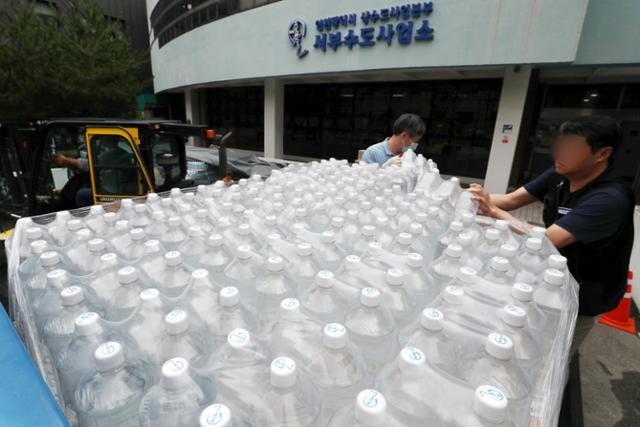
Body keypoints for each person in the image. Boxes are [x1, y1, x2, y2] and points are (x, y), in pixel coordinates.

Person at [469, 115, 635, 355]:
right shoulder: (560, 173)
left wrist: (492, 211)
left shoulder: (610, 198)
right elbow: (510, 200)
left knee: (552, 355)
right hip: (548, 280)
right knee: (525, 340)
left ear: (602, 154)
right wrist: (469, 195)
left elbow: (546, 240)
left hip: (585, 294)